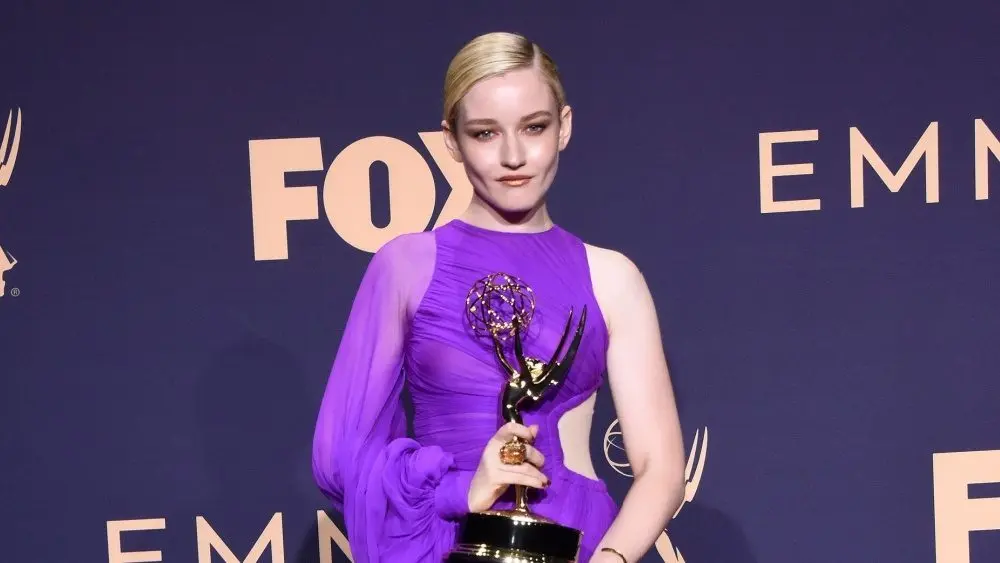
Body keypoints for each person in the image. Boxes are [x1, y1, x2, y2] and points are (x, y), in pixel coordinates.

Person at [311, 31, 686, 563]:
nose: (513, 156)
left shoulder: (612, 277)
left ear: (564, 127)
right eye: (485, 133)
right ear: (451, 141)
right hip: (447, 542)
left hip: (580, 544)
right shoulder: (405, 267)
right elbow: (341, 456)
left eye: (534, 127)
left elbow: (660, 469)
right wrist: (459, 489)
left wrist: (609, 560)